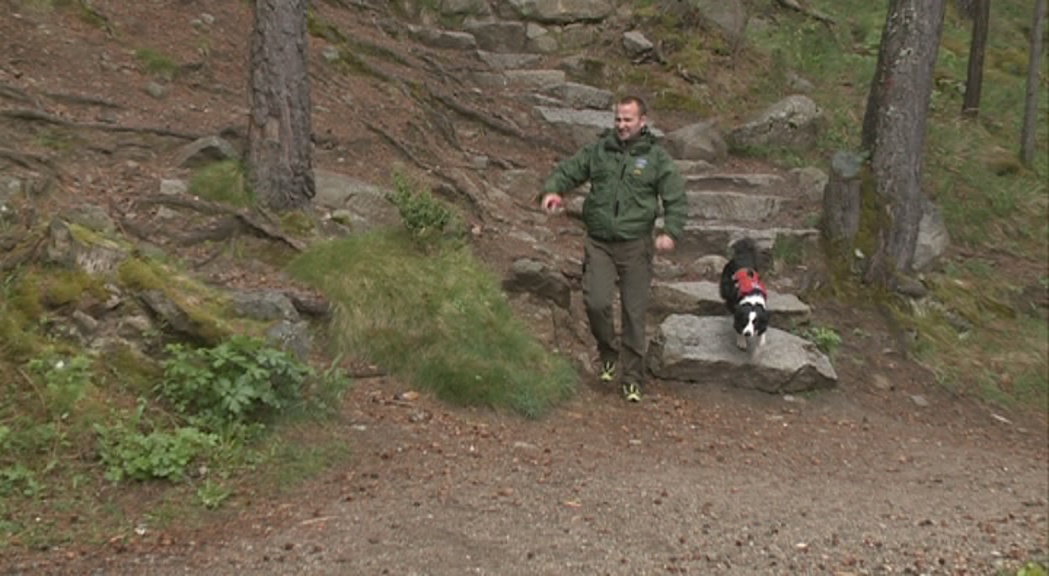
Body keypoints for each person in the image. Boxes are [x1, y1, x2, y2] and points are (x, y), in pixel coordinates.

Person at [539, 95, 687, 402]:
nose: (621, 125)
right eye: (618, 119)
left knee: (634, 313)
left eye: (627, 120)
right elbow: (568, 171)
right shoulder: (599, 151)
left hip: (636, 246)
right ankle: (608, 352)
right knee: (595, 302)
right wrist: (553, 191)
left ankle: (632, 377)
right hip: (599, 243)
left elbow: (675, 197)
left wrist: (670, 231)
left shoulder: (657, 158)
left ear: (642, 122)